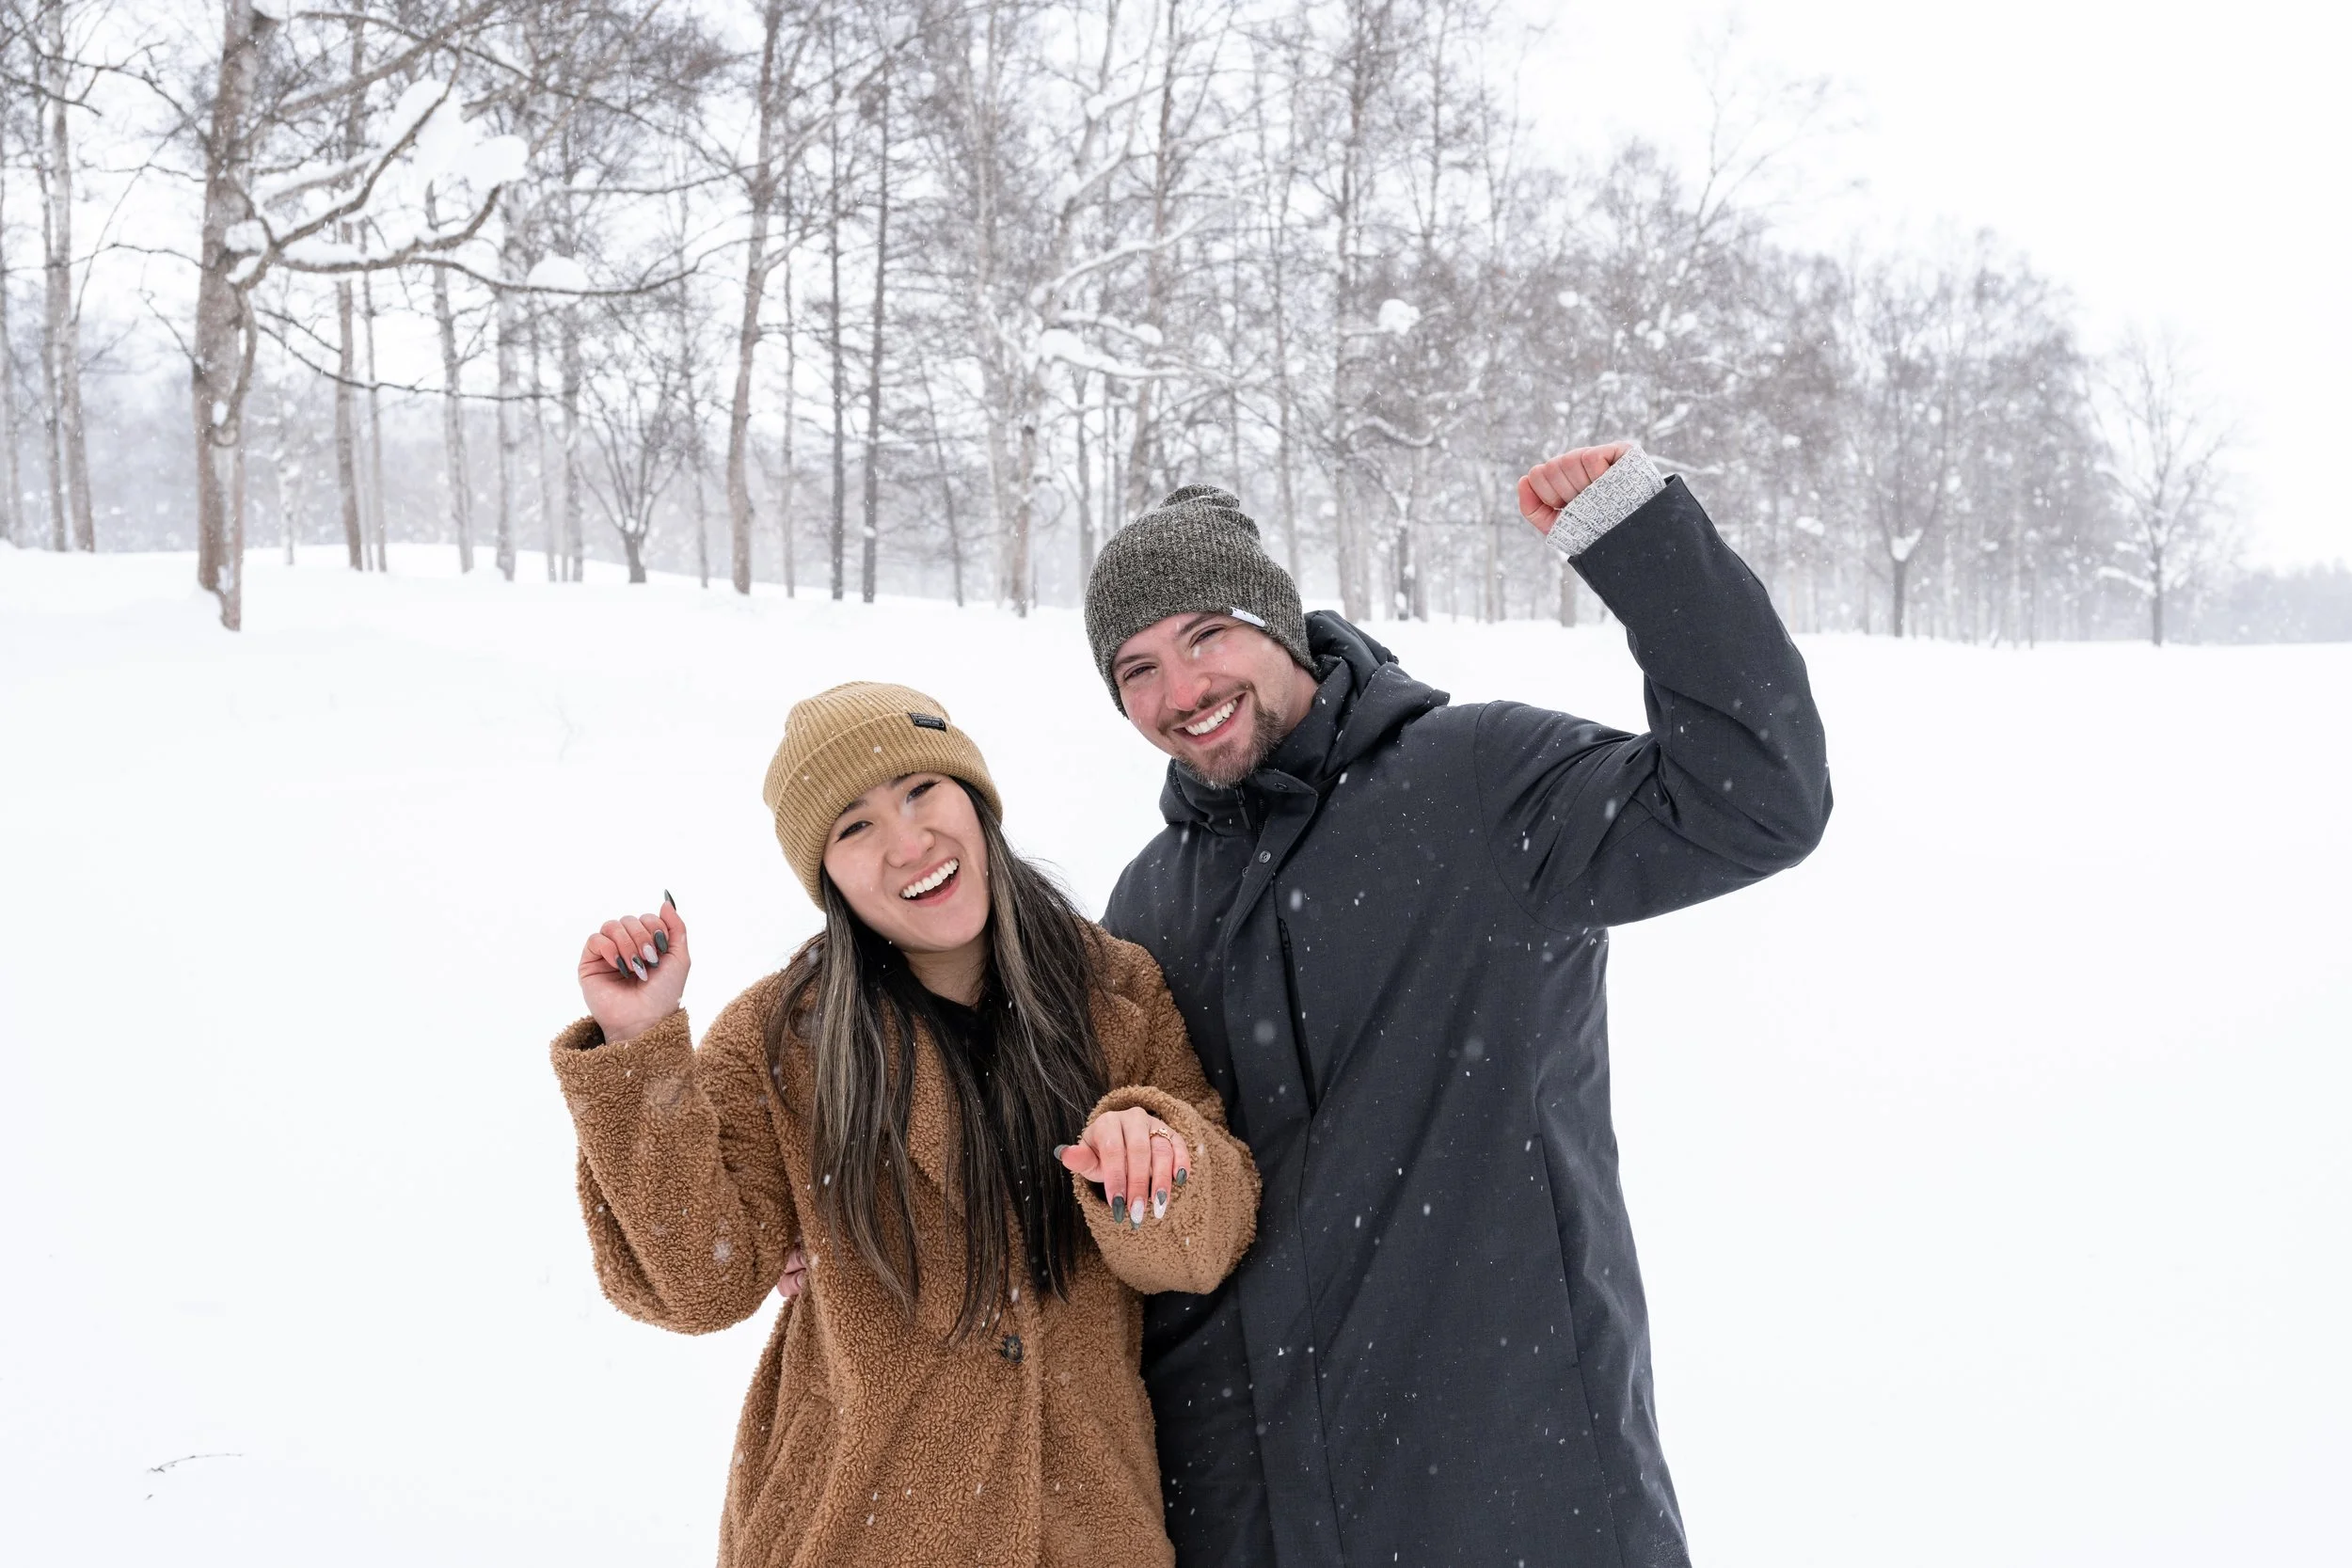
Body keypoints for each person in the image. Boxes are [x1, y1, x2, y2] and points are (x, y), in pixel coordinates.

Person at [1084, 444, 1833, 1568]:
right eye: (1136, 668)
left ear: (1278, 624)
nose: (1180, 691)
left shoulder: (1475, 780)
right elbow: (1107, 1168)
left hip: (1510, 1491)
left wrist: (1644, 543)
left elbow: (1755, 799)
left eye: (1206, 636)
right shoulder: (1150, 898)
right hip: (1245, 1515)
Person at [548, 681, 1260, 1568]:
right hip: (851, 1529)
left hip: (1084, 1534)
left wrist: (1156, 1161)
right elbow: (700, 1282)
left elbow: (1201, 1246)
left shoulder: (1118, 993)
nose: (908, 842)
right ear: (828, 877)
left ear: (975, 796)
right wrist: (639, 1044)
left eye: (922, 790)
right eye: (855, 827)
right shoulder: (780, 1038)